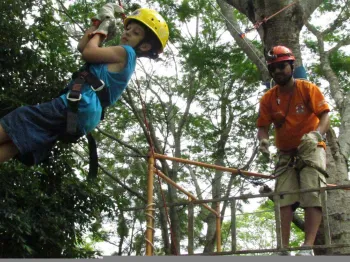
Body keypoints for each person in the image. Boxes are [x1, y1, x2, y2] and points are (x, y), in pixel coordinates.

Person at [0, 6, 169, 166]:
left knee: (20, 118)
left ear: (145, 46)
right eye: (128, 28)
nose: (128, 32)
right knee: (19, 140)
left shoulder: (126, 52)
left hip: (79, 104)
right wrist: (97, 24)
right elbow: (83, 47)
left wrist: (104, 28)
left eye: (136, 33)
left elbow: (88, 53)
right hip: (81, 115)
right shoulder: (120, 56)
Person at [256, 45, 330, 256]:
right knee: (284, 197)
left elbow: (325, 116)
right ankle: (284, 248)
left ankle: (307, 247)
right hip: (285, 153)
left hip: (310, 148)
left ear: (291, 65)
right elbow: (262, 126)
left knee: (311, 191)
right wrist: (263, 141)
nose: (278, 71)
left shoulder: (307, 89)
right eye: (274, 68)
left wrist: (317, 135)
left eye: (282, 66)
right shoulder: (269, 98)